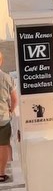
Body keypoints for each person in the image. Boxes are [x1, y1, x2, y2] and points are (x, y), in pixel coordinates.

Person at [0, 54, 18, 183]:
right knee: (3, 146)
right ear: (1, 61)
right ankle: (1, 173)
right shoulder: (7, 78)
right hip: (3, 118)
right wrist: (11, 110)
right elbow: (14, 99)